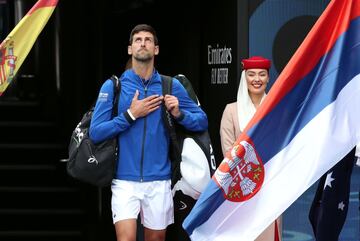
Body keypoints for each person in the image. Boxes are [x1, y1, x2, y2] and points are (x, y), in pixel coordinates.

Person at [89, 24, 208, 241]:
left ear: (156, 49)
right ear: (129, 49)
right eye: (137, 40)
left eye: (148, 40)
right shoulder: (113, 86)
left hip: (159, 180)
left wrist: (179, 113)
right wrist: (130, 115)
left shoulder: (170, 85)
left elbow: (201, 121)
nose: (142, 43)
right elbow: (96, 133)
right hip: (124, 180)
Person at [219, 56, 282, 241]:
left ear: (268, 78)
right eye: (251, 74)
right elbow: (228, 152)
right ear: (244, 78)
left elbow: (281, 144)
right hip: (242, 185)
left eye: (262, 74)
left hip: (270, 182)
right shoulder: (231, 110)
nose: (257, 79)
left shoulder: (276, 109)